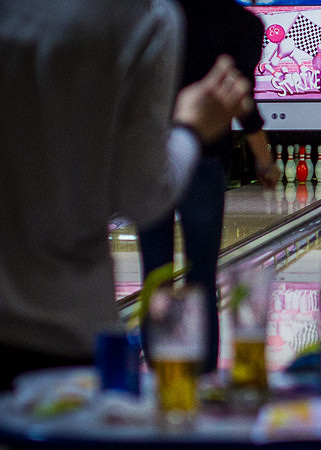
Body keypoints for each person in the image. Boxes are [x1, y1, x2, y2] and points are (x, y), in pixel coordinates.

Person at [0, 0, 253, 391]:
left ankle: (162, 367)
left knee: (157, 271)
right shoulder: (142, 15)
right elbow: (142, 196)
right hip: (65, 327)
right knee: (200, 276)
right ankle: (193, 381)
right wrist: (190, 128)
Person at [138, 0, 279, 373]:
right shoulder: (244, 25)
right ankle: (205, 375)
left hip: (149, 156)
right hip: (206, 159)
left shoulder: (152, 16)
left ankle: (159, 375)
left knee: (156, 272)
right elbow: (241, 100)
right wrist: (262, 157)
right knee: (202, 274)